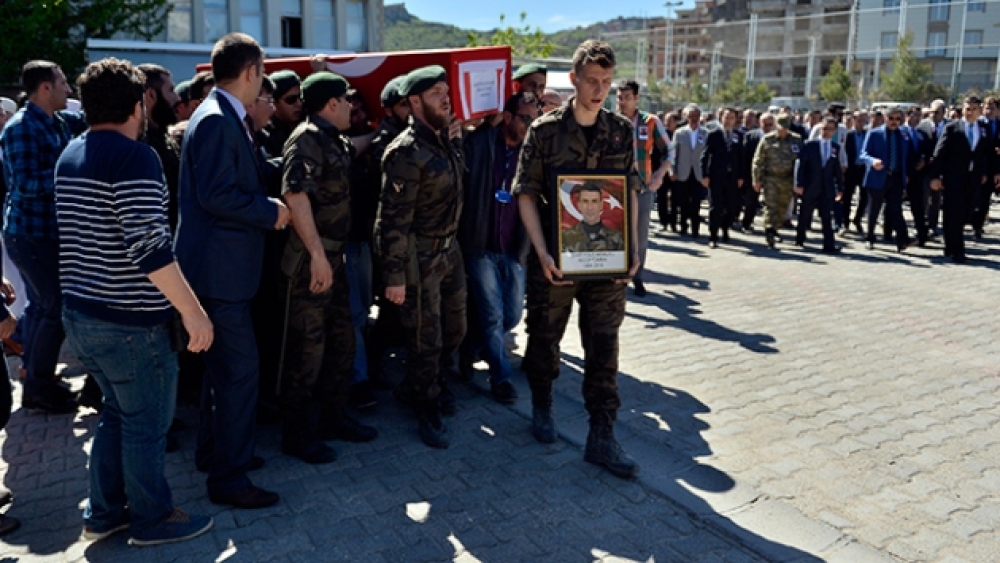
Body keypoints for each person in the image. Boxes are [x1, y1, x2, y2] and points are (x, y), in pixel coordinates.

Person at [56, 57, 214, 546]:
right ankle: (150, 517)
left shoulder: (72, 151)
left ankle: (104, 512)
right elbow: (150, 249)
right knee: (145, 424)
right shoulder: (134, 156)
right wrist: (193, 313)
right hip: (129, 323)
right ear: (139, 103)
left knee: (117, 415)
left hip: (83, 314)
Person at [513, 39, 641, 480]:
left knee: (604, 346)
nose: (599, 89)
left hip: (606, 263)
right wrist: (543, 250)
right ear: (574, 79)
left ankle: (602, 435)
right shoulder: (545, 131)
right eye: (591, 81)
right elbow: (526, 194)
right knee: (545, 337)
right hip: (556, 263)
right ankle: (543, 404)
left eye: (606, 82)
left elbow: (631, 191)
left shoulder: (620, 131)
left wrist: (634, 250)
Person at [175, 32, 289, 509]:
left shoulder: (224, 117)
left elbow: (250, 172)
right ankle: (229, 479)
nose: (263, 80)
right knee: (241, 373)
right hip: (219, 274)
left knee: (222, 373)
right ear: (250, 72)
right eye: (262, 72)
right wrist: (271, 212)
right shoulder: (220, 120)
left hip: (218, 270)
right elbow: (218, 196)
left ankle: (214, 454)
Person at [278, 72, 378, 465]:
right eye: (347, 101)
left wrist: (379, 137)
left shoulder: (330, 138)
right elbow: (294, 194)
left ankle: (335, 418)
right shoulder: (305, 138)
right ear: (332, 104)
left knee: (341, 343)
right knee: (307, 350)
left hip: (333, 260)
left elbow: (351, 149)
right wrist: (318, 256)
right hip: (310, 264)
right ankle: (297, 435)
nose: (352, 107)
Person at [378, 65, 467, 449]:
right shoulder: (405, 153)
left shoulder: (443, 140)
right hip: (420, 258)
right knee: (423, 337)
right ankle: (424, 405)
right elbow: (391, 221)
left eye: (445, 91)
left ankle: (427, 382)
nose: (445, 98)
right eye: (435, 94)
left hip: (450, 252)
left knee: (456, 327)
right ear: (414, 102)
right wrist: (394, 276)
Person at [0, 60, 87, 414]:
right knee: (54, 307)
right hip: (30, 235)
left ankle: (35, 376)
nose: (69, 89)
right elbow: (25, 185)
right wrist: (69, 178)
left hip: (48, 233)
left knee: (43, 306)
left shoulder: (61, 122)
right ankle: (37, 384)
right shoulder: (21, 128)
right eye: (63, 82)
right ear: (45, 88)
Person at [458, 91, 537, 404]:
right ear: (508, 117)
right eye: (525, 118)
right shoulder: (481, 144)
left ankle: (470, 346)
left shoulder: (532, 153)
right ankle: (500, 377)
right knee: (492, 315)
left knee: (512, 315)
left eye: (535, 119)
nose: (531, 125)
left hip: (514, 248)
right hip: (481, 246)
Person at [366, 75, 410, 387]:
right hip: (388, 238)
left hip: (410, 240)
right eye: (404, 104)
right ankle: (375, 363)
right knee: (391, 312)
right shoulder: (385, 141)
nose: (410, 110)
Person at [616, 80, 667, 296]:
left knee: (640, 234)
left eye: (627, 97)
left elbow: (670, 151)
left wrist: (660, 174)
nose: (622, 102)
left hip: (643, 188)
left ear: (637, 98)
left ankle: (637, 276)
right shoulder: (610, 121)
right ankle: (616, 275)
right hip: (615, 188)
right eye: (619, 97)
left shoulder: (651, 122)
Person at [930, 96, 994, 264]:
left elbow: (986, 154)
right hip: (954, 178)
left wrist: (990, 172)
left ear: (980, 111)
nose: (970, 111)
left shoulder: (983, 128)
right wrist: (935, 176)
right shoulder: (953, 128)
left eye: (974, 108)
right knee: (955, 214)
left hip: (973, 179)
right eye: (967, 108)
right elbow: (939, 153)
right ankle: (958, 251)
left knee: (964, 214)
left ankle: (950, 245)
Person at [858, 107, 912, 252]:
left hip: (896, 177)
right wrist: (872, 161)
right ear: (885, 118)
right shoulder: (875, 133)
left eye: (897, 119)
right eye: (891, 118)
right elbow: (863, 154)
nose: (894, 122)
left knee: (896, 209)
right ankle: (870, 237)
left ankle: (902, 240)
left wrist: (906, 174)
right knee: (874, 209)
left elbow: (906, 157)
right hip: (878, 176)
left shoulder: (904, 135)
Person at [137, 64, 182, 231]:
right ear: (151, 95)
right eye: (170, 90)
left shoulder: (165, 139)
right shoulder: (140, 147)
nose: (177, 98)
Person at [794, 117, 844, 253]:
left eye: (830, 129)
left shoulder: (835, 148)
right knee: (805, 213)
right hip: (810, 185)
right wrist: (799, 184)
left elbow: (837, 169)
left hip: (826, 187)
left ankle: (829, 244)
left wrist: (840, 188)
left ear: (834, 132)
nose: (826, 132)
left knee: (826, 216)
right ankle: (800, 239)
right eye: (824, 128)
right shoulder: (810, 144)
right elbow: (801, 166)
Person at [752, 113, 802, 248]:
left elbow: (801, 162)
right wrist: (756, 179)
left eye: (785, 128)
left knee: (782, 207)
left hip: (788, 179)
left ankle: (775, 229)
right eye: (780, 128)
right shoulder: (768, 140)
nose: (783, 130)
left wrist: (800, 182)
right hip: (771, 178)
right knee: (770, 205)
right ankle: (769, 231)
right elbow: (757, 161)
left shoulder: (796, 140)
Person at [701, 107, 743, 248]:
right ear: (721, 118)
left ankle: (725, 229)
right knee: (716, 207)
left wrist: (741, 176)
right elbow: (705, 155)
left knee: (731, 206)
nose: (729, 120)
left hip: (732, 178)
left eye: (732, 118)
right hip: (716, 177)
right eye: (726, 117)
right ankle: (713, 236)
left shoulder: (738, 135)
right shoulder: (713, 134)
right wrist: (704, 175)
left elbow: (740, 157)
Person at [670, 104, 707, 237]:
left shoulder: (705, 133)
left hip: (698, 174)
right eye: (691, 116)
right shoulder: (680, 133)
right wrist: (672, 170)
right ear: (686, 117)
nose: (693, 119)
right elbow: (673, 153)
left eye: (696, 116)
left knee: (696, 202)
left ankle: (695, 229)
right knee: (683, 201)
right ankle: (683, 226)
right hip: (682, 172)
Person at [561, 182, 624, 251]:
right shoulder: (566, 237)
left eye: (594, 201)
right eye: (585, 201)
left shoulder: (617, 238)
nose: (590, 207)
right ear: (579, 205)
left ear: (601, 205)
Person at [740, 112, 773, 232]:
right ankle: (747, 223)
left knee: (771, 203)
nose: (768, 127)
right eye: (765, 124)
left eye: (770, 124)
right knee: (751, 201)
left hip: (771, 175)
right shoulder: (750, 136)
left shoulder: (776, 138)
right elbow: (744, 156)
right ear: (759, 123)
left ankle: (771, 228)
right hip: (753, 175)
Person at [265, 69, 303, 158]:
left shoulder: (308, 123)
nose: (299, 104)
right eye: (291, 100)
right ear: (274, 103)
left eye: (300, 97)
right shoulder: (266, 136)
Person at [842, 110, 869, 234]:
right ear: (853, 120)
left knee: (864, 197)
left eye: (864, 120)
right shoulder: (848, 135)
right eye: (859, 120)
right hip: (851, 169)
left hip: (863, 169)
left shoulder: (867, 134)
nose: (861, 123)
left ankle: (857, 219)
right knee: (847, 197)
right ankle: (845, 222)